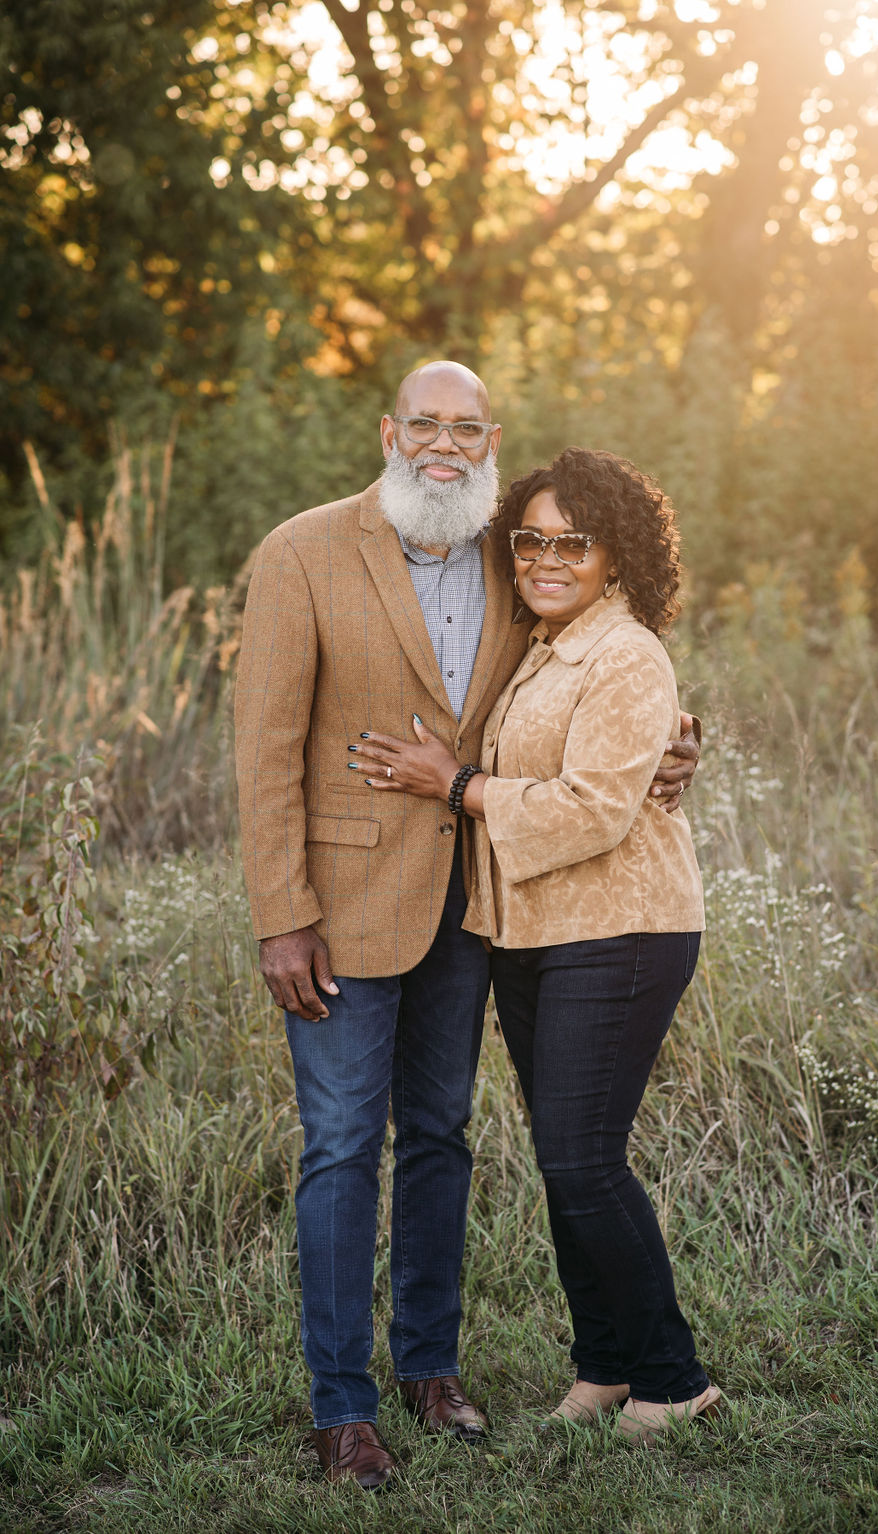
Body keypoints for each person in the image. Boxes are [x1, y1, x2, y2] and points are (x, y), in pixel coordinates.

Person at [234, 364, 701, 1490]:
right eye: (425, 424)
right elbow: (263, 750)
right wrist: (282, 914)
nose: (444, 445)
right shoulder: (302, 551)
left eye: (466, 427)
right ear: (391, 432)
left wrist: (676, 740)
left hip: (472, 908)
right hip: (338, 911)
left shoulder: (507, 552)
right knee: (342, 1145)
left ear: (489, 439)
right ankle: (342, 1409)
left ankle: (430, 1371)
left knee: (441, 1137)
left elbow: (590, 658)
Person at [350, 445, 718, 1445]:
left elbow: (596, 811)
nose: (547, 558)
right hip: (536, 931)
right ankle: (602, 1367)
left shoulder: (625, 654)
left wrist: (457, 786)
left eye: (573, 542)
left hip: (623, 928)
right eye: (529, 540)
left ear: (615, 556)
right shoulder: (544, 645)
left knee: (584, 1158)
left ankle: (671, 1376)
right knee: (568, 1162)